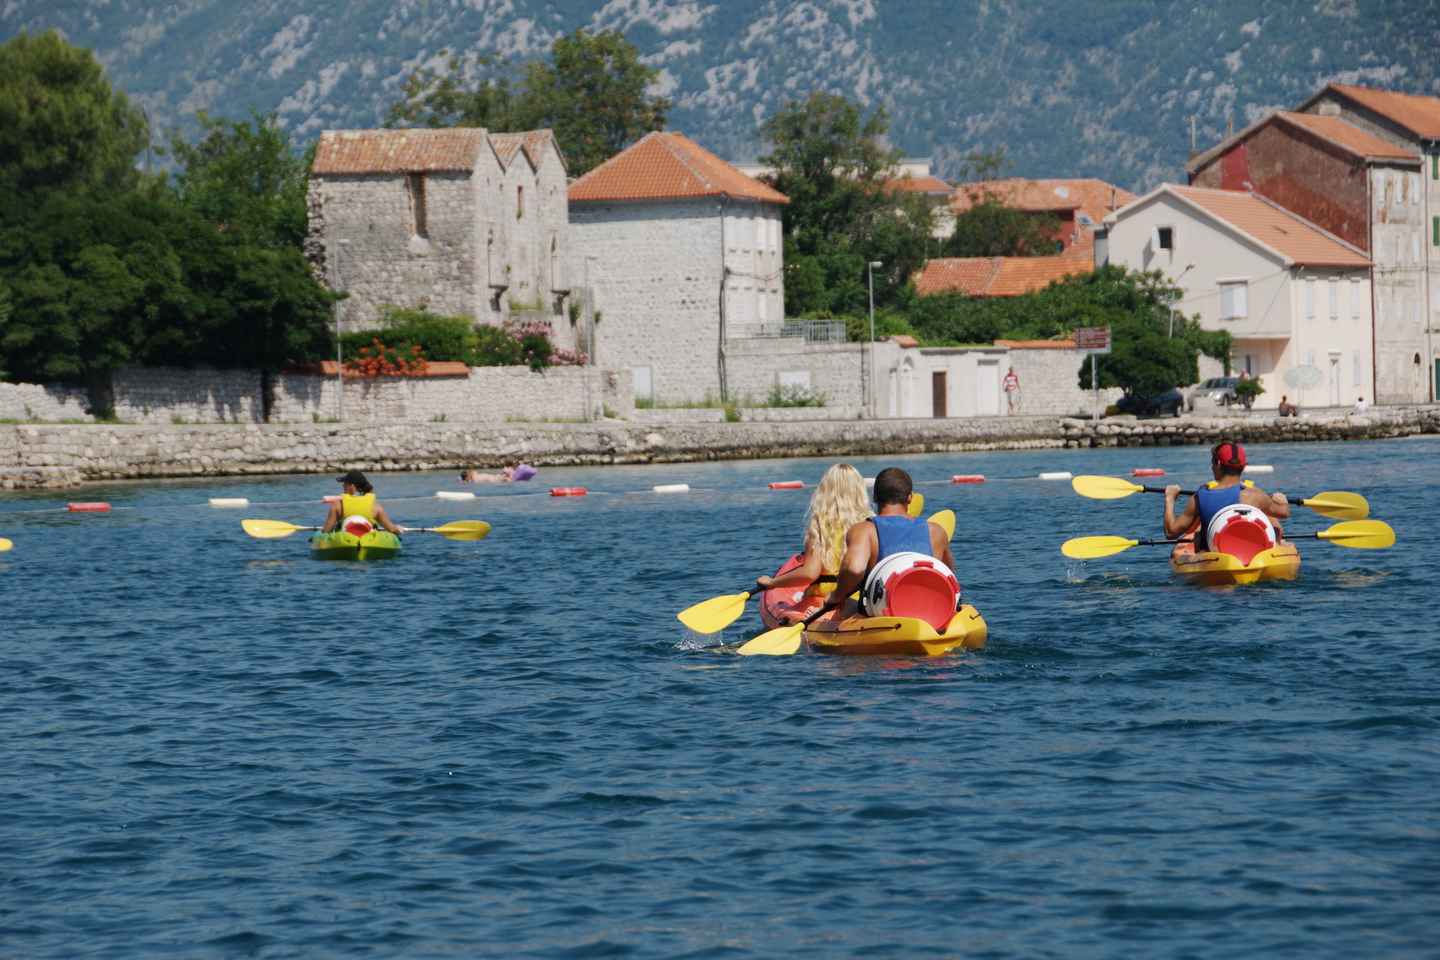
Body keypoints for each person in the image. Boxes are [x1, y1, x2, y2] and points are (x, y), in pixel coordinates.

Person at [823, 467, 956, 618]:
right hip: (930, 612)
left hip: (883, 614)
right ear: (910, 497)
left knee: (843, 607)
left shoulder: (864, 530)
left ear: (875, 498)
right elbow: (948, 573)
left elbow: (854, 569)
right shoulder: (936, 531)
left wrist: (837, 595)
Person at [755, 463, 872, 618]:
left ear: (825, 491)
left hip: (824, 601)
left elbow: (809, 573)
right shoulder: (871, 524)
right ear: (859, 491)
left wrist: (772, 583)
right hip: (860, 601)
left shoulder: (821, 526)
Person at [1163, 441, 1289, 550]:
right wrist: (1282, 500)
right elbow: (1284, 513)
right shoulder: (1255, 495)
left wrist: (1170, 498)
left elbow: (1171, 532)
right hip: (1250, 554)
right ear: (1244, 466)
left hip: (1214, 557)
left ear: (1217, 464)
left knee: (1198, 534)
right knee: (1274, 524)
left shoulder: (1199, 497)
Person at [323, 469, 403, 535]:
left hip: (344, 541)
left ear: (352, 486)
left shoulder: (337, 506)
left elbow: (326, 532)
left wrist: (318, 536)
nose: (343, 485)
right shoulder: (375, 507)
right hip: (368, 540)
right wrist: (398, 529)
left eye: (345, 483)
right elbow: (392, 529)